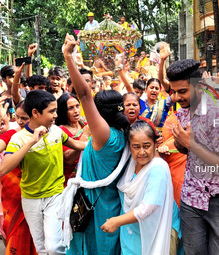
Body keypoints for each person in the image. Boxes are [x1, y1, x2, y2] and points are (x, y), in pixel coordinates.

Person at [167, 59, 219, 255]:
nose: (177, 97)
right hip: (192, 198)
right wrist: (180, 141)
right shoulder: (184, 111)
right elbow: (188, 150)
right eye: (173, 91)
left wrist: (190, 143)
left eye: (182, 91)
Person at [63, 34, 130, 255]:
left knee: (93, 247)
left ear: (99, 114)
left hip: (95, 206)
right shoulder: (121, 133)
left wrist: (68, 56)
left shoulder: (104, 136)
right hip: (109, 202)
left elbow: (84, 94)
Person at [0, 90, 86, 255]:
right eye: (51, 111)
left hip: (55, 196)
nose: (56, 115)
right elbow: (4, 168)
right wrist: (32, 141)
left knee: (54, 248)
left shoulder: (56, 131)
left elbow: (77, 145)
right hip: (31, 200)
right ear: (35, 113)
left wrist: (98, 142)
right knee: (41, 248)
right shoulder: (19, 139)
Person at [101, 120, 179, 255]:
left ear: (155, 144)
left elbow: (149, 207)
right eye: (136, 147)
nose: (142, 152)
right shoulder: (130, 164)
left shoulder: (158, 168)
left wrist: (117, 221)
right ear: (129, 147)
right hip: (133, 231)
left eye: (146, 146)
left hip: (158, 227)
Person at [1, 101, 37, 255]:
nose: (21, 122)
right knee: (13, 235)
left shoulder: (51, 133)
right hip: (15, 196)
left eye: (25, 118)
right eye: (18, 117)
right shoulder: (13, 134)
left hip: (39, 195)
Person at [56, 93, 91, 186]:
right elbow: (68, 159)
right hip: (70, 178)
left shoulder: (84, 123)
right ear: (63, 111)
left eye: (77, 106)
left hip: (87, 174)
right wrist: (85, 135)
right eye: (70, 108)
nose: (76, 111)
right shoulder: (60, 131)